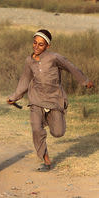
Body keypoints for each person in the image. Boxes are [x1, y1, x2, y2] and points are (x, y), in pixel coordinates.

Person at [7, 29, 94, 172]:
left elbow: (70, 67)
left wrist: (84, 81)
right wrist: (14, 97)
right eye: (35, 43)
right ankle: (46, 160)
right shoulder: (29, 61)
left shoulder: (54, 58)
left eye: (41, 45)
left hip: (54, 100)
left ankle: (48, 121)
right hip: (36, 99)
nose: (36, 46)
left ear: (48, 46)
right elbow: (24, 80)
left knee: (58, 132)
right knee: (36, 128)